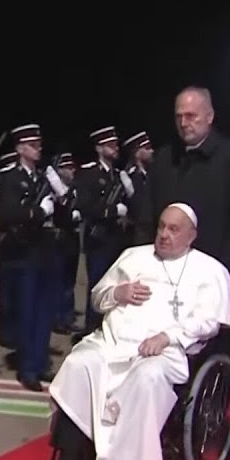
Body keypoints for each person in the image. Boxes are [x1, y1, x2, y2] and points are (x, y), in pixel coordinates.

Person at [26, 203, 230, 460]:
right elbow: (98, 297)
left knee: (147, 379)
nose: (164, 235)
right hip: (110, 344)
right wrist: (118, 293)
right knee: (79, 364)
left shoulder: (210, 271)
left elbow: (209, 322)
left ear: (192, 235)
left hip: (161, 352)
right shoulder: (134, 256)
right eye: (161, 226)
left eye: (173, 230)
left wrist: (168, 337)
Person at [147, 86, 230, 357]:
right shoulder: (164, 158)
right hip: (167, 277)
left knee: (214, 352)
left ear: (209, 116)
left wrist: (226, 276)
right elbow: (147, 215)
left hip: (214, 275)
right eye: (179, 116)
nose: (184, 123)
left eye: (192, 115)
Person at [0, 125, 69, 390]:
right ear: (19, 149)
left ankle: (39, 363)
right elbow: (8, 214)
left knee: (44, 313)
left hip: (45, 252)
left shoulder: (43, 177)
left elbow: (62, 213)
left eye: (38, 144)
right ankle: (27, 368)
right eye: (32, 144)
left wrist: (63, 198)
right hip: (23, 254)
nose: (38, 148)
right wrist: (38, 211)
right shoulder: (10, 178)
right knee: (27, 313)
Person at [74, 126, 132, 335]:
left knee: (115, 285)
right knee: (97, 285)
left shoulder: (118, 176)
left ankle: (109, 328)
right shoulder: (88, 173)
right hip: (97, 239)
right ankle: (91, 330)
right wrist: (112, 210)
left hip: (116, 239)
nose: (115, 148)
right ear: (99, 148)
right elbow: (85, 204)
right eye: (110, 145)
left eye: (116, 144)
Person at [50, 154, 82, 335]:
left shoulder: (74, 189)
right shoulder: (55, 190)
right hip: (59, 238)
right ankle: (57, 318)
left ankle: (67, 316)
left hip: (73, 238)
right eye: (67, 168)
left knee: (70, 281)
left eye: (72, 167)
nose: (72, 170)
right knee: (58, 280)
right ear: (59, 171)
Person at [0, 150, 21, 348]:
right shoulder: (2, 185)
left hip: (21, 245)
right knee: (5, 294)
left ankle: (15, 329)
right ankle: (6, 330)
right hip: (6, 244)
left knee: (17, 293)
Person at [122, 131, 155, 245]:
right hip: (137, 235)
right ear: (136, 153)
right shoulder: (128, 177)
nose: (152, 151)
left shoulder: (152, 174)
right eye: (147, 148)